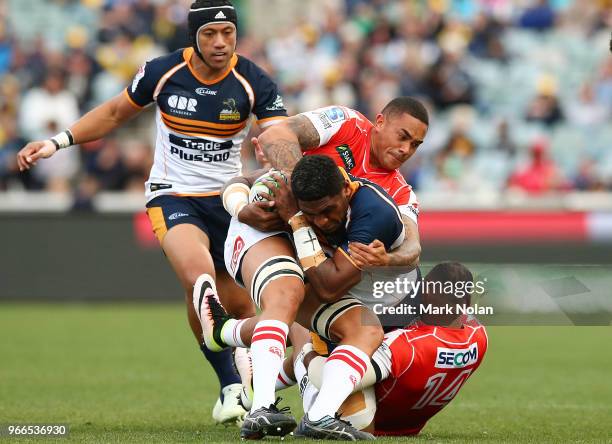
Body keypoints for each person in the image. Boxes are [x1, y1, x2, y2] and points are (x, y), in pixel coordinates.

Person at [16, 0, 288, 424]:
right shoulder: (163, 72)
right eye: (209, 35)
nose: (220, 43)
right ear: (193, 37)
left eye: (228, 33)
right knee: (200, 282)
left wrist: (284, 164)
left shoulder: (254, 81)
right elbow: (113, 113)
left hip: (232, 202)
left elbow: (280, 136)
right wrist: (57, 142)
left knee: (240, 308)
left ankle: (238, 389)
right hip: (172, 196)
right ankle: (235, 386)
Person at [198, 155, 420, 440]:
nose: (322, 220)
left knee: (365, 328)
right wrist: (242, 210)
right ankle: (261, 407)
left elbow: (328, 287)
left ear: (346, 189)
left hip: (322, 270)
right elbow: (238, 181)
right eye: (312, 213)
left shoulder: (374, 211)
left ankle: (318, 417)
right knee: (288, 292)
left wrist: (299, 221)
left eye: (328, 210)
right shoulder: (290, 185)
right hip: (257, 238)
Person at [303, 262, 488, 436]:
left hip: (376, 424)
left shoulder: (404, 345)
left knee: (353, 407)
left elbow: (333, 379)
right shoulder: (479, 337)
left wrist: (308, 353)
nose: (418, 291)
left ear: (428, 293)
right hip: (411, 427)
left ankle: (301, 368)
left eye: (424, 286)